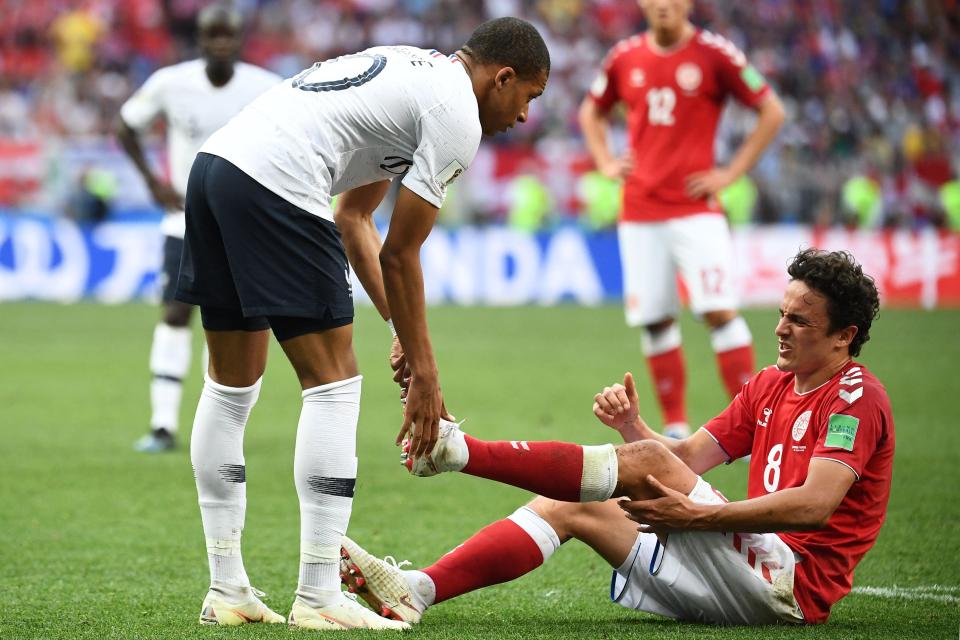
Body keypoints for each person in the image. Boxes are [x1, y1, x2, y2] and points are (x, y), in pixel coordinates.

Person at [173, 18, 550, 629]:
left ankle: (227, 589)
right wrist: (426, 373)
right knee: (334, 387)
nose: (525, 115)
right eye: (528, 96)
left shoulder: (413, 72)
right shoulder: (456, 115)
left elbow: (354, 217)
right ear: (502, 77)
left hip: (216, 168)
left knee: (231, 387)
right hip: (278, 182)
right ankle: (319, 595)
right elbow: (402, 254)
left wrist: (400, 330)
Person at [340, 248, 893, 626]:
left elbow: (816, 506)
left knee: (638, 466)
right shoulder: (770, 385)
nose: (779, 328)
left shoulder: (856, 399)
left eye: (800, 321)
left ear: (845, 336)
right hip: (741, 566)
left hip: (789, 587)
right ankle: (417, 592)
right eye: (781, 314)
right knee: (568, 506)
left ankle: (457, 450)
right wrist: (633, 430)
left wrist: (699, 517)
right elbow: (685, 461)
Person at [578, 0, 786, 438]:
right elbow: (590, 111)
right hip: (639, 210)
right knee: (655, 319)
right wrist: (606, 161)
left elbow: (772, 111)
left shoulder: (716, 54)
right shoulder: (624, 56)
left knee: (719, 311)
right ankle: (675, 427)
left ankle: (750, 425)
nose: (663, 4)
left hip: (696, 211)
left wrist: (730, 172)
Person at [116, 4, 280, 453]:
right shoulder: (172, 83)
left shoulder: (265, 88)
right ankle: (163, 424)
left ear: (239, 39)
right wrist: (154, 181)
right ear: (200, 40)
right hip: (185, 219)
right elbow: (126, 125)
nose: (221, 43)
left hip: (243, 224)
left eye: (228, 35)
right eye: (213, 36)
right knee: (174, 313)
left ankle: (223, 428)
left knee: (234, 321)